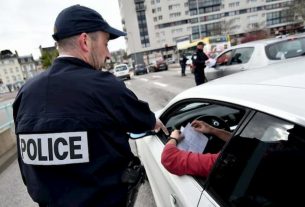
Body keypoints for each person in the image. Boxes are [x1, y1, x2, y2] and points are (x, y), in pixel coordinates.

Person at [13, 5, 168, 207]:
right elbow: (146, 122)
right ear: (85, 41)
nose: (108, 54)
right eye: (106, 43)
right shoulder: (104, 87)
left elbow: (26, 167)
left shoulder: (25, 92)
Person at [161, 120, 231, 176]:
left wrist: (173, 139)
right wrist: (212, 130)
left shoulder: (222, 161)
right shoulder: (239, 149)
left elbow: (168, 158)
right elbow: (238, 141)